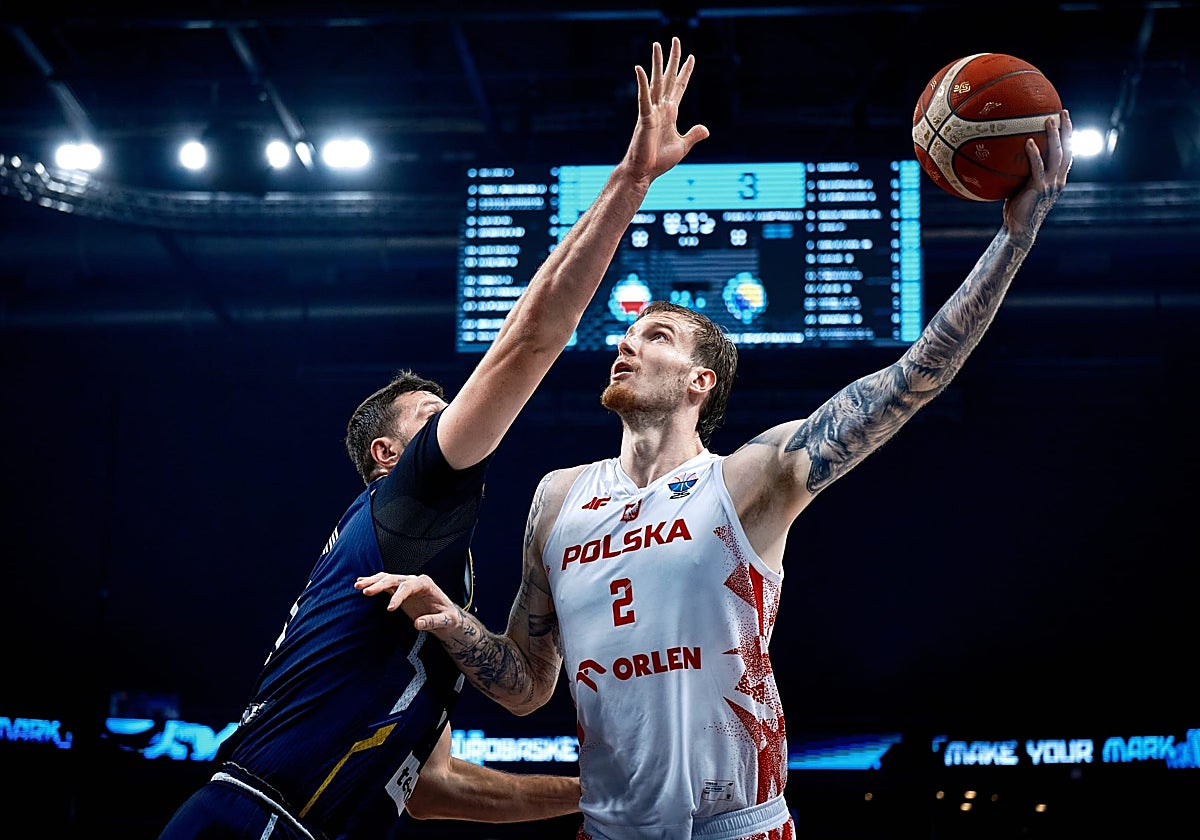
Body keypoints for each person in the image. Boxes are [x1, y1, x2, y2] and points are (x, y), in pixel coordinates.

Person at [356, 111, 1076, 839]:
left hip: (740, 828)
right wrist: (448, 621)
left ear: (701, 379)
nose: (627, 342)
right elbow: (526, 686)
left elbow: (913, 378)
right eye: (627, 332)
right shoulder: (558, 498)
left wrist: (1014, 241)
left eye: (655, 335)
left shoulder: (750, 479)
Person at [158, 36, 709, 840]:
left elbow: (434, 786)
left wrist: (597, 791)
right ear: (389, 456)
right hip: (258, 819)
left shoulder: (421, 572)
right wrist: (629, 183)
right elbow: (529, 341)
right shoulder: (402, 503)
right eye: (429, 417)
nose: (450, 421)